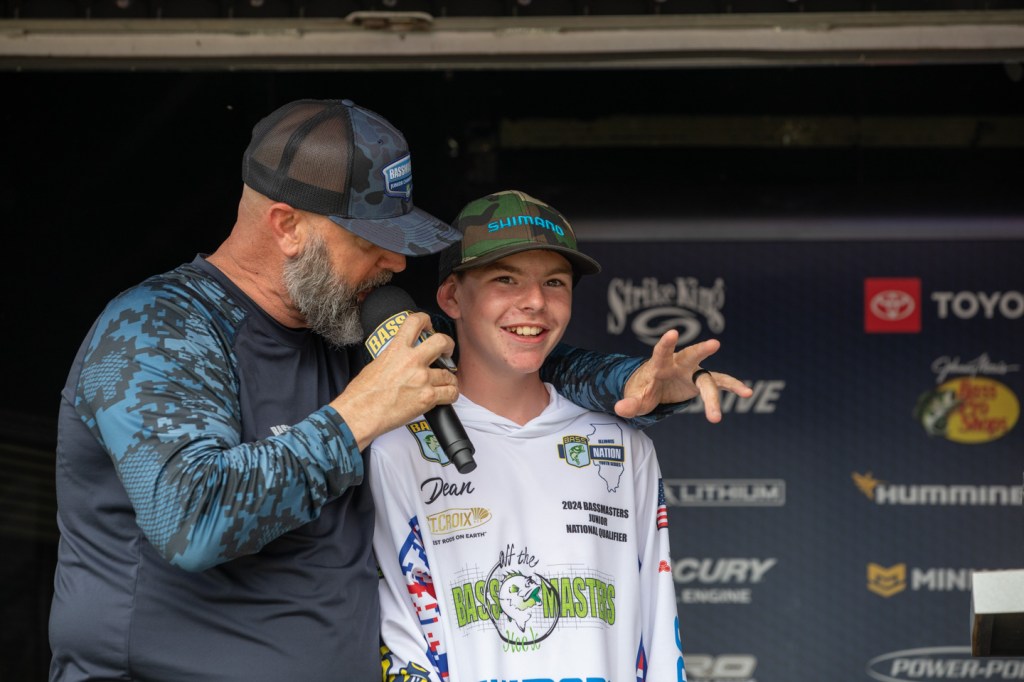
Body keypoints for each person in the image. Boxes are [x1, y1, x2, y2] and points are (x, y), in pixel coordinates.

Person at [49, 99, 748, 682]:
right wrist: (354, 417)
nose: (393, 260)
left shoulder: (344, 325)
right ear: (287, 226)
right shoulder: (156, 327)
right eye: (370, 240)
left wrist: (632, 382)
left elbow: (497, 356)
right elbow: (192, 518)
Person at [369, 190, 688, 682]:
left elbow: (659, 631)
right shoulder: (397, 448)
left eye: (554, 282)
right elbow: (402, 635)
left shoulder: (623, 447)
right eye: (506, 279)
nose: (536, 302)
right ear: (451, 297)